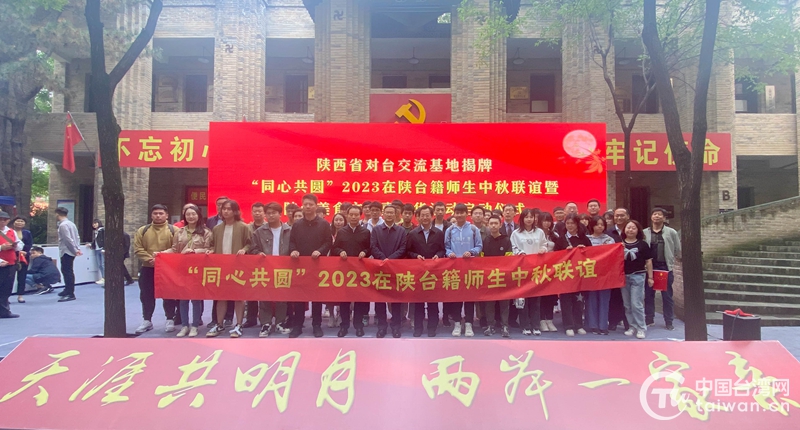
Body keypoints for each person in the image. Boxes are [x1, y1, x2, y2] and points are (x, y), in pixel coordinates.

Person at [163, 205, 211, 338]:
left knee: (196, 299)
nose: (191, 217)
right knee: (183, 299)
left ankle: (195, 325)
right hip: (182, 269)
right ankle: (184, 325)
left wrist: (195, 251)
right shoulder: (179, 232)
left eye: (193, 214)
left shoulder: (206, 232)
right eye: (188, 214)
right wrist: (162, 253)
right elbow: (174, 249)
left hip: (198, 269)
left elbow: (210, 249)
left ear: (198, 215)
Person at [206, 199, 252, 338]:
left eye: (229, 209)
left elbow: (250, 243)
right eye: (224, 209)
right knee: (221, 297)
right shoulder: (217, 229)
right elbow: (211, 244)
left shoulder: (243, 227)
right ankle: (219, 324)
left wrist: (244, 249)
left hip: (238, 268)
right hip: (221, 267)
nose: (225, 211)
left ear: (235, 211)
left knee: (239, 297)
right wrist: (211, 250)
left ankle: (238, 325)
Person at [289, 194, 332, 338]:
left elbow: (328, 242)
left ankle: (316, 325)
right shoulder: (297, 225)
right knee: (299, 296)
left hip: (317, 264)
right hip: (300, 265)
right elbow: (292, 241)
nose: (308, 207)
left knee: (316, 296)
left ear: (316, 206)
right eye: (305, 204)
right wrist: (293, 250)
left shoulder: (324, 224)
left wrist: (320, 251)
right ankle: (298, 325)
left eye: (311, 204)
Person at [251, 202, 292, 337]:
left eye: (274, 213)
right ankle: (266, 323)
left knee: (282, 297)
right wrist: (258, 253)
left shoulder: (289, 231)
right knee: (264, 296)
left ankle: (280, 322)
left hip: (283, 268)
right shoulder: (259, 232)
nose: (271, 215)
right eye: (268, 213)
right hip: (265, 268)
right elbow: (253, 249)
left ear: (280, 214)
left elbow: (294, 247)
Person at [133, 204, 175, 333]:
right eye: (155, 213)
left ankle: (170, 319)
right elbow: (138, 249)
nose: (158, 216)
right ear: (151, 215)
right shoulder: (143, 230)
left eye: (161, 213)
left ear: (166, 215)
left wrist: (161, 260)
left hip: (167, 269)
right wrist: (150, 259)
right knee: (146, 295)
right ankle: (147, 320)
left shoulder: (174, 230)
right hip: (148, 268)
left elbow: (177, 248)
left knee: (169, 294)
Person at [332, 205, 371, 337]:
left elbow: (370, 248)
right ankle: (344, 326)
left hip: (360, 270)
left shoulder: (365, 232)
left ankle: (358, 326)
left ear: (360, 216)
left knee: (359, 299)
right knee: (345, 299)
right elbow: (334, 248)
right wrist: (340, 251)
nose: (354, 217)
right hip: (345, 270)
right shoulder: (342, 232)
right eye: (351, 215)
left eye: (356, 215)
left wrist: (364, 252)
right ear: (347, 216)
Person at [406, 205, 445, 337]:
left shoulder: (438, 233)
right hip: (418, 272)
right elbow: (408, 251)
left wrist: (438, 255)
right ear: (418, 217)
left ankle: (432, 327)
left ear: (432, 216)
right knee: (418, 302)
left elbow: (442, 249)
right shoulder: (413, 234)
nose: (425, 217)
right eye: (422, 215)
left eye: (427, 215)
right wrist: (415, 256)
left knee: (433, 301)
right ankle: (418, 328)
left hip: (434, 272)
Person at [444, 203, 482, 337]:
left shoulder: (473, 229)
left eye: (462, 212)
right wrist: (449, 253)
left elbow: (479, 246)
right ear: (454, 214)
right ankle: (457, 323)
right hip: (454, 268)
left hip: (470, 268)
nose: (459, 215)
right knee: (456, 296)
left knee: (469, 297)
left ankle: (469, 324)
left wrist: (471, 252)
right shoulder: (450, 230)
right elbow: (446, 247)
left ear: (467, 214)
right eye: (457, 213)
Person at [370, 204, 408, 338]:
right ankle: (381, 326)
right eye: (387, 212)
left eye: (392, 212)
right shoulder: (376, 230)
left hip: (395, 268)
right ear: (383, 214)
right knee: (379, 299)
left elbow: (403, 248)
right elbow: (373, 246)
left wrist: (390, 260)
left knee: (396, 299)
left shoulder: (401, 231)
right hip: (379, 268)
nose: (390, 215)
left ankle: (396, 326)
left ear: (396, 214)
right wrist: (383, 259)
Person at [510, 208, 548, 336]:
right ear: (522, 219)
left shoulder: (539, 232)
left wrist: (543, 249)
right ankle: (525, 325)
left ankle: (535, 325)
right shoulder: (516, 233)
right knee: (522, 300)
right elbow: (513, 247)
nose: (529, 219)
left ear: (534, 219)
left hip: (536, 269)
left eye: (531, 217)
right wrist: (520, 253)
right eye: (526, 217)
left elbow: (544, 244)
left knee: (535, 299)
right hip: (522, 270)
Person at [553, 213, 592, 336]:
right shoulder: (561, 239)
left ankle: (578, 325)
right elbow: (555, 256)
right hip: (566, 274)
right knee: (566, 301)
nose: (570, 226)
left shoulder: (584, 238)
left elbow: (591, 254)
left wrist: (583, 250)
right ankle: (568, 326)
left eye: (572, 223)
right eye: (568, 223)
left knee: (578, 301)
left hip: (579, 274)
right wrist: (565, 252)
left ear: (577, 224)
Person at [644, 208, 681, 331]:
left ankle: (669, 321)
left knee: (667, 296)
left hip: (665, 267)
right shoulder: (645, 232)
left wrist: (670, 259)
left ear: (664, 218)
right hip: (649, 268)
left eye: (660, 215)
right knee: (648, 295)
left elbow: (677, 249)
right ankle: (649, 319)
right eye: (654, 214)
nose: (657, 216)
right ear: (651, 217)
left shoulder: (671, 232)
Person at [621, 220, 654, 339]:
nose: (630, 230)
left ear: (638, 230)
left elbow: (648, 261)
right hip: (624, 277)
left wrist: (650, 277)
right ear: (624, 229)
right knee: (627, 304)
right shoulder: (620, 244)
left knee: (636, 304)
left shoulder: (643, 244)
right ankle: (632, 326)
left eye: (633, 228)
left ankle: (641, 328)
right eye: (628, 227)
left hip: (638, 276)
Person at [481, 215, 512, 337]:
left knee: (504, 303)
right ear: (488, 225)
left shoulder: (506, 240)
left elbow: (509, 257)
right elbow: (481, 259)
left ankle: (505, 326)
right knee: (489, 303)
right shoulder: (485, 240)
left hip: (503, 276)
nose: (493, 226)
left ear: (500, 225)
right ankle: (490, 325)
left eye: (496, 223)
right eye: (491, 223)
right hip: (489, 277)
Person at [586, 216, 615, 335]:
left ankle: (603, 325)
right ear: (592, 225)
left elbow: (613, 255)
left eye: (602, 224)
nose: (600, 227)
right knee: (591, 299)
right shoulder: (587, 239)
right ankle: (593, 325)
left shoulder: (609, 240)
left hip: (605, 274)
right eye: (597, 224)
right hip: (590, 273)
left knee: (604, 299)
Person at [607, 207, 630, 332]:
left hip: (629, 268)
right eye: (617, 215)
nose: (619, 218)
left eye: (622, 215)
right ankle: (613, 321)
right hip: (613, 269)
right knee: (614, 297)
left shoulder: (632, 230)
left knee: (628, 297)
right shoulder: (608, 232)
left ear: (627, 216)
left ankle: (628, 323)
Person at [537, 212, 558, 332]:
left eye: (549, 220)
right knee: (540, 295)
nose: (546, 223)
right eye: (544, 220)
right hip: (538, 269)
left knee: (550, 295)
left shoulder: (555, 235)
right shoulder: (536, 234)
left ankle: (549, 319)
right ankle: (541, 320)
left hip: (552, 269)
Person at [55, 207, 81, 302]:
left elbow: (67, 239)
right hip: (71, 250)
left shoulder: (63, 225)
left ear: (57, 214)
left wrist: (74, 250)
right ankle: (67, 289)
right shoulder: (71, 224)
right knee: (67, 270)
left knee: (67, 271)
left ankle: (70, 293)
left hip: (67, 250)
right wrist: (77, 248)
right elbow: (77, 237)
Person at [326, 212, 347, 328]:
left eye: (341, 220)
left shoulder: (347, 233)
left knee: (342, 292)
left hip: (343, 266)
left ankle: (340, 314)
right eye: (336, 220)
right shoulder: (328, 234)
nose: (338, 222)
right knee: (329, 292)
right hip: (328, 266)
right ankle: (331, 315)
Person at [0, 211, 23, 318]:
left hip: (10, 263)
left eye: (4, 220)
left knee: (7, 288)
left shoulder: (11, 231)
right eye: (0, 219)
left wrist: (15, 246)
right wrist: (1, 247)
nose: (2, 222)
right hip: (1, 263)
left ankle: (4, 311)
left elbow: (20, 245)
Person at [11, 217, 33, 302]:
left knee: (22, 276)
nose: (19, 223)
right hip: (11, 256)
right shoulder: (9, 232)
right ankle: (6, 296)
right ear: (13, 222)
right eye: (18, 221)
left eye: (22, 221)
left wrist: (26, 252)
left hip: (23, 257)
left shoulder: (27, 233)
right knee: (9, 277)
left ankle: (20, 295)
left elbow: (29, 244)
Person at [91, 219, 105, 286]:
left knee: (103, 264)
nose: (94, 225)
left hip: (101, 249)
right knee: (99, 264)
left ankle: (104, 278)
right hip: (97, 249)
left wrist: (104, 248)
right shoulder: (95, 232)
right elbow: (95, 241)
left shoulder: (102, 230)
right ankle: (103, 277)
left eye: (95, 223)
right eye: (93, 224)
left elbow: (105, 240)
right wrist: (91, 245)